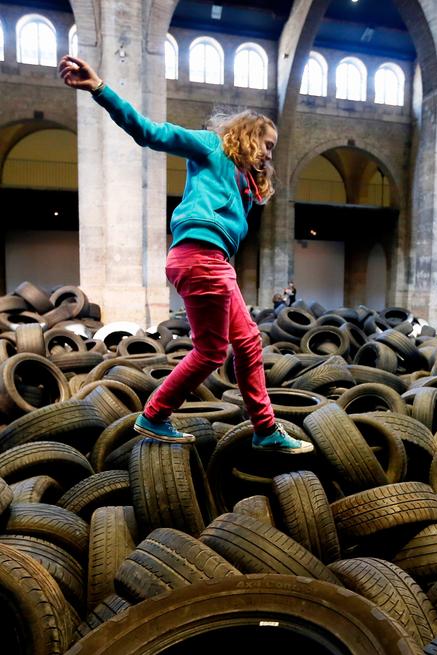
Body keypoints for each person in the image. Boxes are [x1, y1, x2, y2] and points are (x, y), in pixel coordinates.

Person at [58, 55, 313, 455]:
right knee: (212, 351)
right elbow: (149, 132)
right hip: (200, 258)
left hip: (208, 262)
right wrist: (99, 89)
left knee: (246, 343)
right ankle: (157, 415)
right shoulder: (210, 147)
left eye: (272, 150)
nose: (268, 154)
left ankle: (262, 428)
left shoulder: (246, 182)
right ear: (247, 135)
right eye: (266, 145)